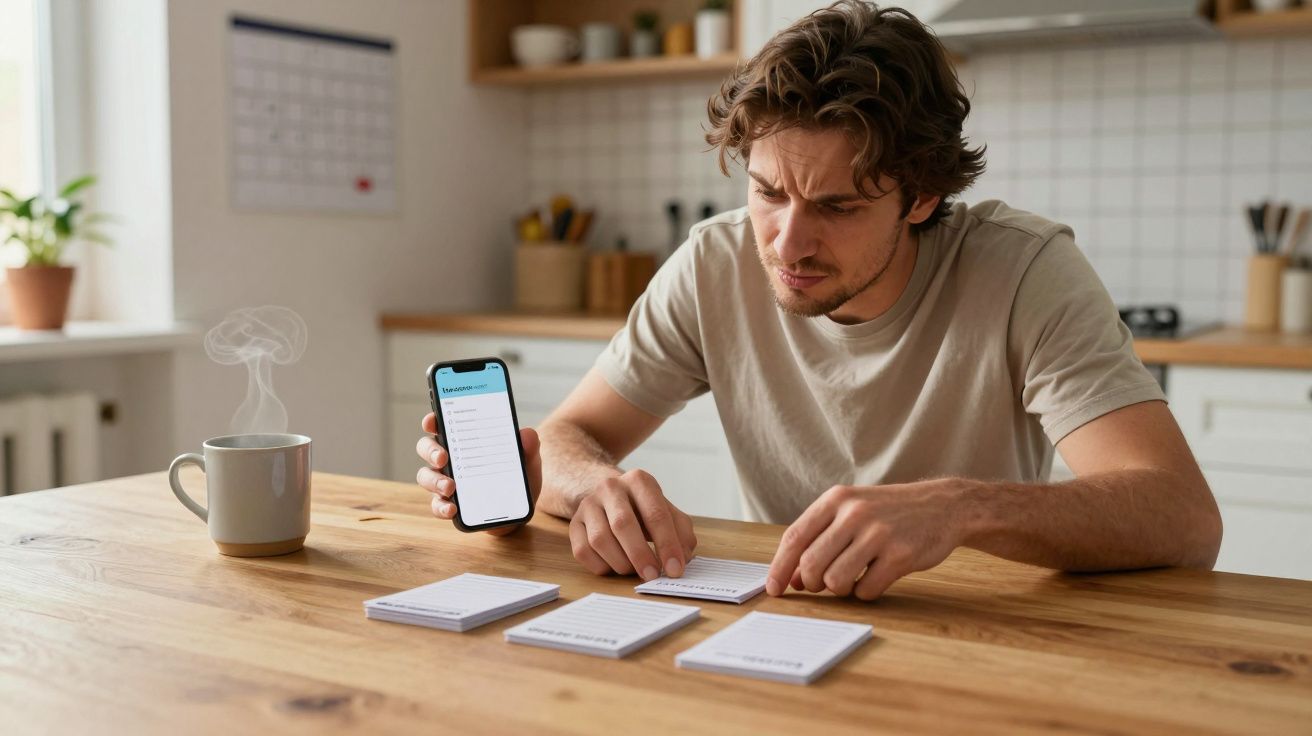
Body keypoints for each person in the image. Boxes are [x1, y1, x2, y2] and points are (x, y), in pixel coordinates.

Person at [416, 0, 1222, 600]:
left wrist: (962, 509)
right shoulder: (716, 261)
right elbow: (570, 435)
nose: (787, 243)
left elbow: (1183, 517)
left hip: (977, 632)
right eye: (769, 192)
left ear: (920, 197)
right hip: (782, 624)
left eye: (837, 207)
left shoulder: (1024, 271)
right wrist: (592, 486)